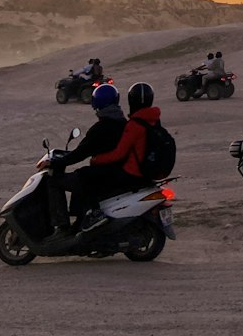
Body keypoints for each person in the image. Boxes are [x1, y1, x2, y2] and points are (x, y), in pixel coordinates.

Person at [40, 82, 140, 231]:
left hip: (104, 174)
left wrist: (54, 163)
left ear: (97, 103)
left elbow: (81, 153)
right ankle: (81, 220)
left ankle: (61, 225)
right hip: (118, 172)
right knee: (81, 175)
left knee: (54, 182)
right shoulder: (124, 124)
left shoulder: (101, 128)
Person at [73, 82, 165, 231]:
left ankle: (95, 214)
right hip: (148, 171)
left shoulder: (134, 125)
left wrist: (97, 160)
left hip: (131, 172)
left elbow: (119, 153)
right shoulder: (154, 122)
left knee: (83, 176)